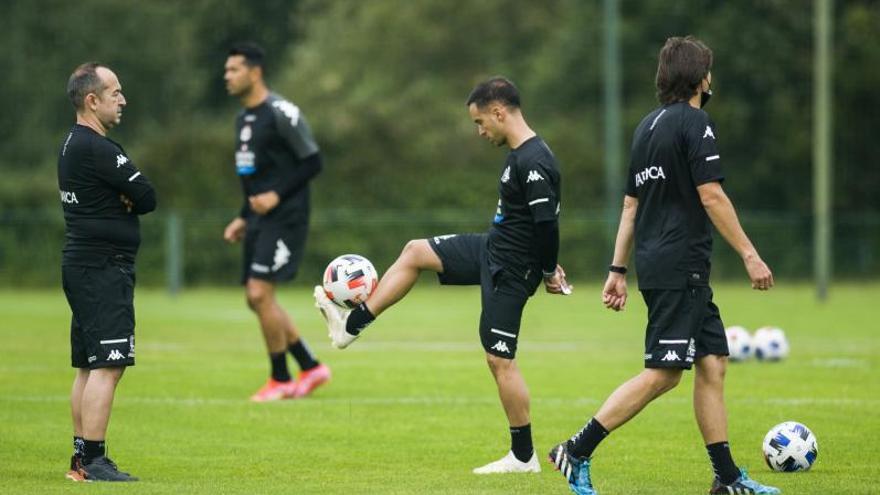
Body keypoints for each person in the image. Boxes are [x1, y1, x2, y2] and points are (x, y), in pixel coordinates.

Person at [548, 36, 780, 495]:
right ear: (700, 78)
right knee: (664, 373)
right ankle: (576, 450)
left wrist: (617, 269)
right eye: (709, 72)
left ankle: (727, 478)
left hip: (667, 266)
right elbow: (710, 194)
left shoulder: (646, 127)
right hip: (679, 267)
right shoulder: (697, 124)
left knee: (712, 364)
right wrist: (751, 255)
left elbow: (631, 206)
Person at [314, 76, 572, 474]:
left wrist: (547, 270)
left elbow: (547, 226)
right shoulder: (520, 155)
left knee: (499, 359)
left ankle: (523, 457)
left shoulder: (535, 160)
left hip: (513, 268)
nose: (479, 131)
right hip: (491, 249)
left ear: (499, 112)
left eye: (480, 122)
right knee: (416, 251)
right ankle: (352, 325)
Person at [59, 62, 157, 482]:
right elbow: (147, 196)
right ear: (91, 100)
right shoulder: (100, 148)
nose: (123, 99)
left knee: (90, 364)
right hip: (102, 268)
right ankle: (95, 461)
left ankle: (81, 458)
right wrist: (126, 198)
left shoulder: (71, 144)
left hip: (84, 265)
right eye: (115, 92)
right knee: (108, 365)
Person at [222, 42, 330, 402]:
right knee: (257, 299)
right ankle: (310, 366)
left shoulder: (282, 111)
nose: (228, 76)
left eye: (234, 69)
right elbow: (253, 178)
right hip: (259, 219)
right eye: (226, 71)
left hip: (286, 217)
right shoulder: (242, 119)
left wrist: (276, 197)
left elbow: (312, 162)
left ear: (255, 72)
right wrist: (243, 216)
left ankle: (281, 378)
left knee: (259, 293)